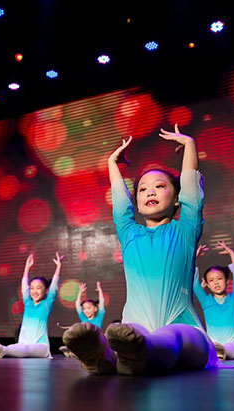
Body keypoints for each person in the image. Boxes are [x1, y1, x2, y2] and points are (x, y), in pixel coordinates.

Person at [63, 126, 217, 375]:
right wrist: (113, 162)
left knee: (172, 335)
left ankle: (128, 354)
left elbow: (191, 189)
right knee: (133, 335)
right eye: (143, 189)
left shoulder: (186, 229)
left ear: (177, 199)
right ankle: (102, 357)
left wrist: (189, 144)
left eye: (159, 186)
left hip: (186, 331)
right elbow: (120, 201)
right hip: (135, 326)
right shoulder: (129, 233)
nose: (150, 192)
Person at [0, 253, 62, 358]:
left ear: (46, 290)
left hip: (41, 347)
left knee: (26, 349)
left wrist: (59, 267)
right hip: (23, 344)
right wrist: (27, 267)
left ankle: (1, 349)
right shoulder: (28, 304)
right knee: (19, 347)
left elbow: (54, 287)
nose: (34, 291)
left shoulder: (46, 304)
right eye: (32, 288)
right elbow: (24, 287)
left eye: (38, 288)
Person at [194, 241, 234, 360]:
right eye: (212, 280)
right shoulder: (206, 301)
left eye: (219, 278)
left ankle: (222, 351)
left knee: (233, 348)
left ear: (227, 282)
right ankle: (217, 351)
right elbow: (193, 283)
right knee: (208, 348)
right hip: (212, 344)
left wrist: (232, 254)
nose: (216, 282)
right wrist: (194, 259)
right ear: (207, 284)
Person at [59, 281, 106, 357]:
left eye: (89, 308)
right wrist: (80, 292)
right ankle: (73, 351)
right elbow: (77, 304)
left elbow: (101, 303)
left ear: (95, 309)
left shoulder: (99, 318)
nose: (86, 310)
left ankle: (75, 352)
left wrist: (100, 290)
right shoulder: (84, 318)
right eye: (84, 309)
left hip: (96, 341)